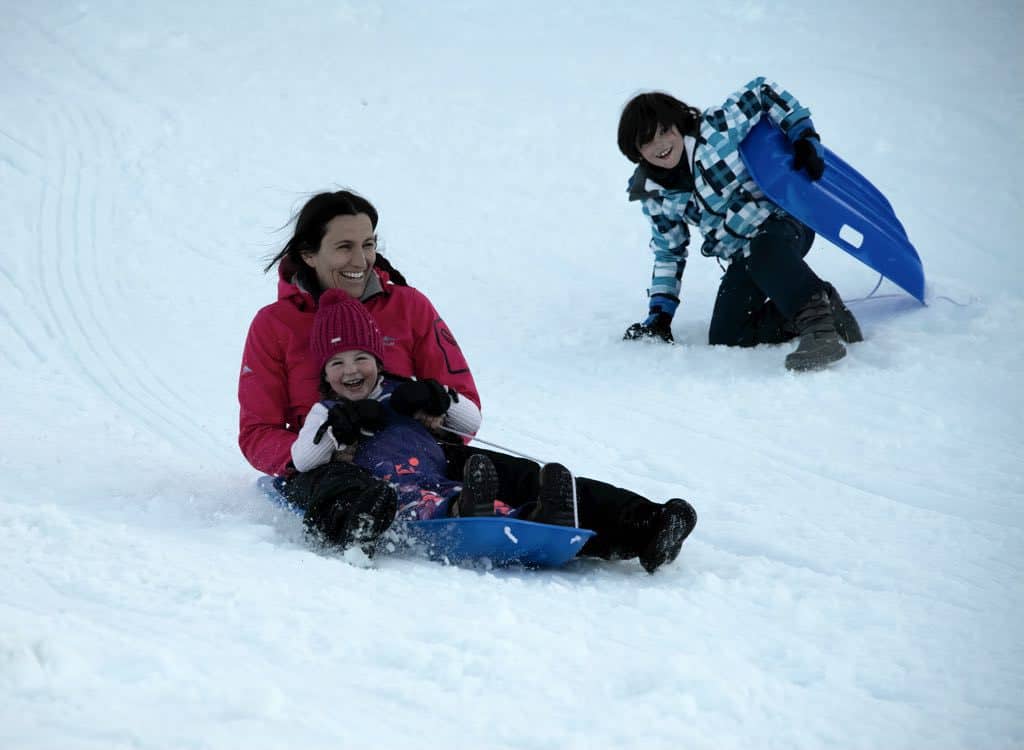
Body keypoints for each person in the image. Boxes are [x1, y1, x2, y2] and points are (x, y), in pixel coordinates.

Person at [238, 189, 696, 571]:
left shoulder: (409, 307)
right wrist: (320, 447)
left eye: (369, 244)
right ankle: (364, 528)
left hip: (411, 447)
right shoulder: (274, 325)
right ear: (308, 254)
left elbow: (466, 410)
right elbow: (256, 434)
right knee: (349, 490)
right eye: (344, 247)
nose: (362, 259)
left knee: (517, 474)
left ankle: (643, 523)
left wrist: (432, 400)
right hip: (326, 465)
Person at [288, 289, 579, 549]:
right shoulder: (327, 411)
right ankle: (461, 515)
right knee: (428, 504)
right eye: (337, 363)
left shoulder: (402, 393)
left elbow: (470, 423)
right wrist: (337, 430)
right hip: (388, 493)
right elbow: (302, 461)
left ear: (378, 361)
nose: (350, 371)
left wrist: (437, 397)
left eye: (361, 358)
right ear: (325, 374)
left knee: (478, 502)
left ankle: (539, 517)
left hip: (436, 477)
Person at [617, 76, 863, 371]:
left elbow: (762, 91)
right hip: (744, 253)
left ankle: (819, 330)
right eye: (647, 141)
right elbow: (669, 252)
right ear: (636, 151)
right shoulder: (656, 194)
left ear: (677, 125)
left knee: (764, 249)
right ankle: (827, 307)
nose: (660, 145)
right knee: (728, 335)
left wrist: (804, 136)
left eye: (664, 131)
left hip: (784, 224)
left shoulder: (716, 130)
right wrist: (660, 315)